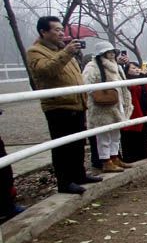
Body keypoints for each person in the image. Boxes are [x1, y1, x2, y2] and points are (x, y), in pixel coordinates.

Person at [26, 16, 102, 194]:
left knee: (77, 143)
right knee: (63, 146)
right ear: (43, 32)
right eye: (56, 30)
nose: (61, 33)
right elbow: (46, 71)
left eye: (62, 29)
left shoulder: (62, 50)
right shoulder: (35, 51)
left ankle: (79, 174)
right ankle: (65, 182)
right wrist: (67, 52)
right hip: (58, 105)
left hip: (76, 103)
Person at [82, 41, 133, 173]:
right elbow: (86, 84)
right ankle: (105, 160)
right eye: (108, 52)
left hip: (117, 102)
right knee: (104, 134)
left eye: (112, 52)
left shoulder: (117, 66)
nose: (111, 55)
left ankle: (114, 157)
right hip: (102, 106)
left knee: (116, 133)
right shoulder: (92, 66)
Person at [120, 61, 147, 163]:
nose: (136, 70)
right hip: (131, 113)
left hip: (144, 112)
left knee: (143, 136)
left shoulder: (143, 79)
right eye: (133, 68)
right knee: (130, 137)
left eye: (137, 68)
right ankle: (130, 159)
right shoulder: (125, 81)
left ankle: (143, 157)